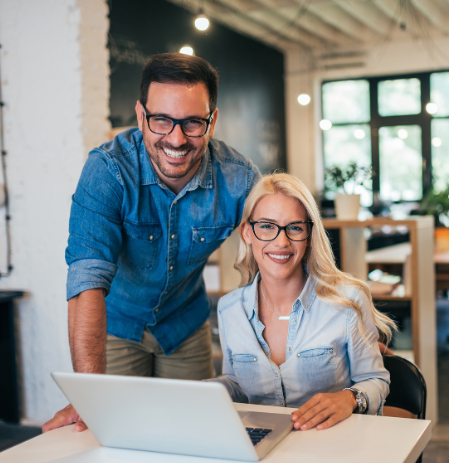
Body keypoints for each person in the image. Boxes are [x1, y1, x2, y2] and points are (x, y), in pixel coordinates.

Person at [42, 53, 261, 433]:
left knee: (195, 436)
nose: (176, 139)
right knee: (112, 436)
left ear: (213, 120)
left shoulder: (238, 178)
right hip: (115, 326)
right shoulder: (108, 171)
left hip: (185, 325)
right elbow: (86, 280)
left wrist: (344, 325)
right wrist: (89, 394)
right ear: (141, 116)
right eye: (161, 120)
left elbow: (287, 251)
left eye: (193, 122)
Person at [213, 173, 396, 431]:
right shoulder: (229, 309)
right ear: (247, 233)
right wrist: (209, 389)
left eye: (295, 227)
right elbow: (237, 385)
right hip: (261, 448)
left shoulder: (348, 301)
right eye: (266, 226)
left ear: (309, 234)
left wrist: (348, 398)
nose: (281, 241)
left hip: (331, 447)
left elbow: (376, 380)